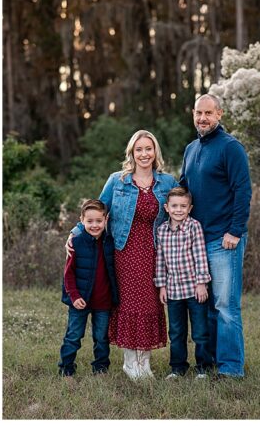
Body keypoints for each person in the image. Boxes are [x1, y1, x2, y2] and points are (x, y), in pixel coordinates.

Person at [68, 130, 176, 379]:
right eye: (138, 149)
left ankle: (144, 363)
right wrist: (74, 233)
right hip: (124, 252)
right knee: (129, 305)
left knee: (151, 305)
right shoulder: (117, 180)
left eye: (148, 148)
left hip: (155, 253)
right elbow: (98, 209)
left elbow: (181, 209)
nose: (144, 154)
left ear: (155, 152)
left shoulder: (168, 182)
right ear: (131, 153)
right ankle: (130, 363)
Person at [180, 93, 252, 378]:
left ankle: (231, 368)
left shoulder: (231, 148)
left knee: (225, 306)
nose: (203, 118)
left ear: (220, 114)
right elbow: (182, 191)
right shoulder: (191, 149)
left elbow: (242, 191)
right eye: (199, 113)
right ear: (193, 115)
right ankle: (207, 362)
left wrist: (235, 230)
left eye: (209, 113)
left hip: (224, 240)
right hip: (196, 241)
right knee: (205, 306)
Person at [155, 187, 213, 378]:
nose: (178, 210)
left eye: (183, 206)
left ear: (190, 208)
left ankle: (203, 367)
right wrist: (162, 286)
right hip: (173, 290)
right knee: (176, 332)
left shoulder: (193, 226)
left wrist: (201, 283)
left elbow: (200, 255)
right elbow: (160, 260)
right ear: (166, 207)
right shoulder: (162, 230)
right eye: (174, 206)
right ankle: (178, 368)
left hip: (194, 290)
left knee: (200, 332)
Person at [58, 199, 119, 378]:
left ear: (105, 220)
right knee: (73, 336)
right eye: (89, 221)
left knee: (101, 337)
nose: (94, 225)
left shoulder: (110, 242)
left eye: (98, 221)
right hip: (79, 300)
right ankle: (66, 368)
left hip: (103, 302)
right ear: (81, 220)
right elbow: (68, 275)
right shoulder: (75, 243)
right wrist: (74, 296)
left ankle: (100, 368)